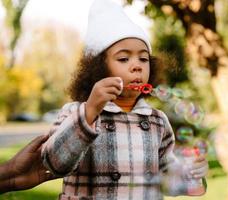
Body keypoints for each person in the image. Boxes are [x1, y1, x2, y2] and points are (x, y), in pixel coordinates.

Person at [41, 0, 208, 199]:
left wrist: (191, 173)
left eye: (143, 59)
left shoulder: (157, 121)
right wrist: (90, 112)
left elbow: (169, 179)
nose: (137, 66)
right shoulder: (76, 112)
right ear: (98, 68)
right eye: (123, 59)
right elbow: (54, 164)